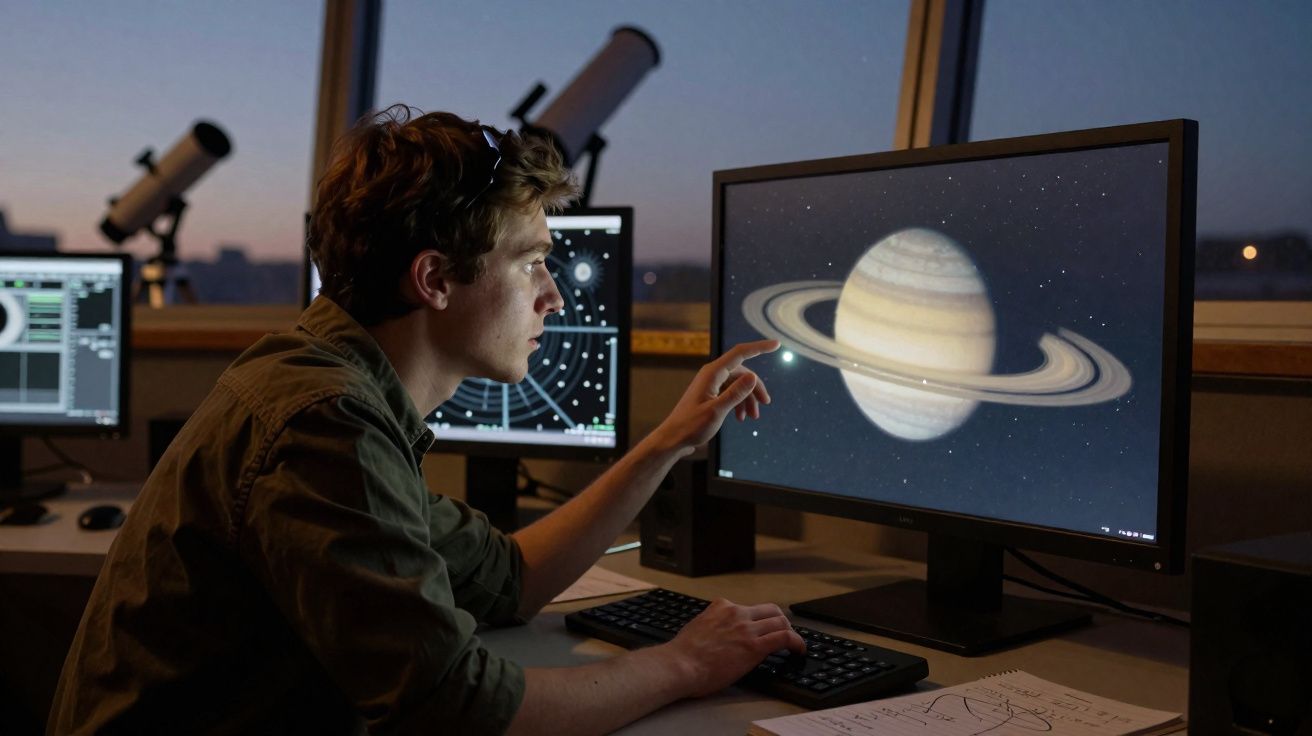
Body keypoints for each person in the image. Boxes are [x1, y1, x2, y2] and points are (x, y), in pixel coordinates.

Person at [49, 105, 803, 735]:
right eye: (530, 261)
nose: (554, 296)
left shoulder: (336, 384)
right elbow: (460, 712)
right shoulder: (322, 423)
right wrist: (685, 662)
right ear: (435, 278)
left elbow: (508, 577)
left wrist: (667, 443)